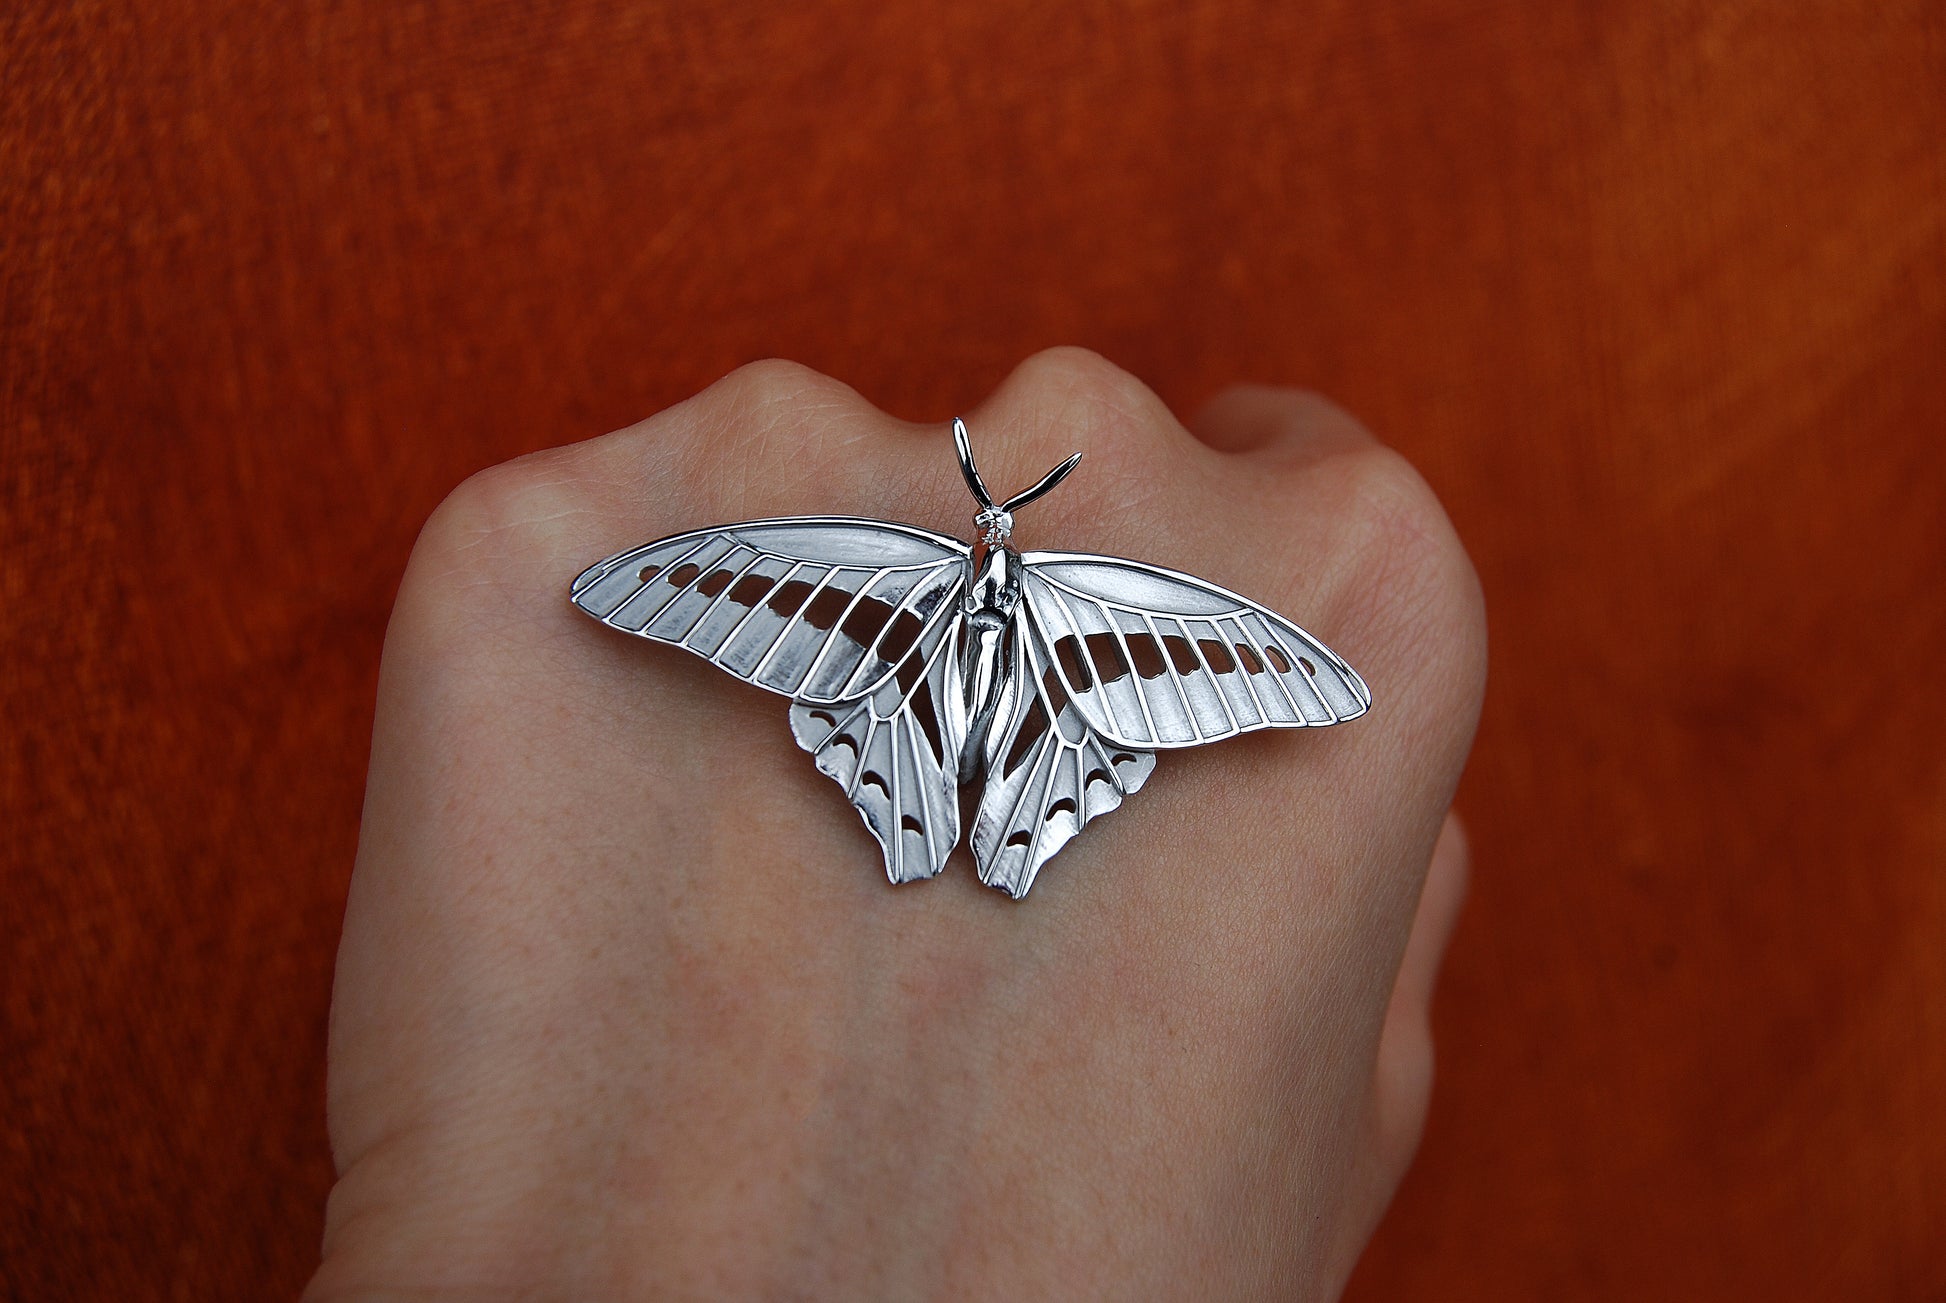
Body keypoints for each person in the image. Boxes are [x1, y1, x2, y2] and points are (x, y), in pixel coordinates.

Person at [304, 348, 1485, 1300]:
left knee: (977, 756)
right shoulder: (944, 588)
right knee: (972, 753)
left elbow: (1304, 674)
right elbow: (681, 583)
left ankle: (971, 815)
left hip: (961, 709)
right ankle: (968, 818)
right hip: (980, 713)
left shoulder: (928, 584)